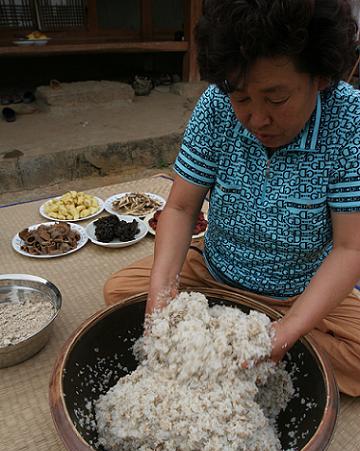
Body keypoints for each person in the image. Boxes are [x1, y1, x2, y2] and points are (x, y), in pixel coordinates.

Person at [104, 0, 360, 396]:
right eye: (241, 98)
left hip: (298, 293)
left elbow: (349, 249)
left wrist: (284, 333)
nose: (257, 119)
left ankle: (250, 344)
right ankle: (238, 345)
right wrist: (162, 298)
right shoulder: (215, 105)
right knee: (122, 292)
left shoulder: (349, 123)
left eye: (276, 100)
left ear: (322, 77)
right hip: (213, 275)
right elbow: (180, 206)